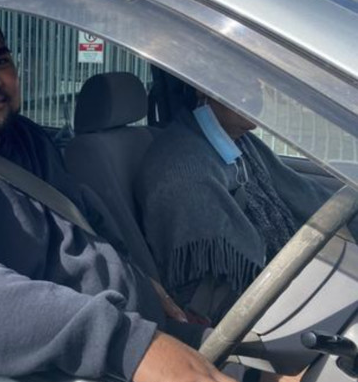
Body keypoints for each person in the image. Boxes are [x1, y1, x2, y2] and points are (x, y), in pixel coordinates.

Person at [0, 4, 233, 382]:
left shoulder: (26, 139)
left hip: (153, 330)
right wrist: (131, 347)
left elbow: (86, 221)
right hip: (107, 363)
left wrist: (144, 283)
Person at [136, 81, 351, 324]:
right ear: (202, 86)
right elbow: (218, 285)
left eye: (258, 86)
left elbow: (302, 192)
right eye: (243, 83)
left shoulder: (241, 142)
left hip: (289, 282)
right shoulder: (181, 165)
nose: (256, 95)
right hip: (246, 309)